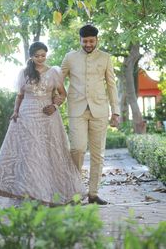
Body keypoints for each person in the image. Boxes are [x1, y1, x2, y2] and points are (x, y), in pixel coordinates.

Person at [0, 41, 85, 206]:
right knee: (30, 154)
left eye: (43, 55)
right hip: (26, 115)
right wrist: (15, 111)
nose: (41, 58)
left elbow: (62, 93)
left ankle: (52, 193)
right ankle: (32, 194)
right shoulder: (24, 73)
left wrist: (55, 106)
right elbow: (20, 95)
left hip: (47, 116)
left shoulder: (54, 72)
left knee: (49, 153)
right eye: (37, 56)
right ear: (31, 56)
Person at [55, 24, 120, 205]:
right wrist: (53, 100)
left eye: (92, 41)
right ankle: (75, 192)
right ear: (80, 40)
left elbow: (112, 85)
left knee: (98, 154)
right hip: (77, 110)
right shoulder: (70, 57)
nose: (88, 44)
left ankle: (93, 193)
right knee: (77, 148)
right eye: (85, 41)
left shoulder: (106, 58)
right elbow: (58, 81)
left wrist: (115, 111)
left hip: (99, 110)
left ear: (97, 40)